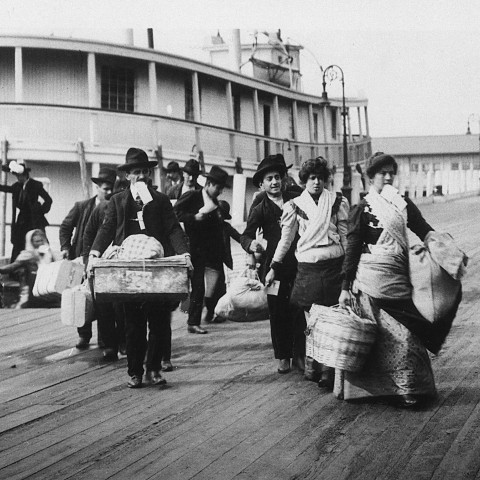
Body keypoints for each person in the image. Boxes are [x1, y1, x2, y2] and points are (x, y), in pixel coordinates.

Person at [338, 152, 461, 408]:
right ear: (371, 177)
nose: (388, 176)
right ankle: (369, 391)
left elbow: (424, 230)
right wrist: (344, 287)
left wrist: (444, 251)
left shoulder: (403, 204)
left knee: (407, 339)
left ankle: (408, 388)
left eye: (391, 172)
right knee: (375, 340)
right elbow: (352, 249)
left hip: (399, 280)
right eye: (382, 173)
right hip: (370, 281)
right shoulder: (361, 208)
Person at [88, 147, 190, 388]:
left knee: (160, 323)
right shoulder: (118, 201)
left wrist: (184, 253)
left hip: (157, 268)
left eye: (145, 171)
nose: (142, 175)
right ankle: (135, 371)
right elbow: (107, 228)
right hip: (129, 269)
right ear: (128, 176)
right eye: (137, 171)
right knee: (133, 324)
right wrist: (93, 253)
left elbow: (173, 228)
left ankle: (154, 369)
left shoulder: (161, 200)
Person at [265, 157, 349, 385]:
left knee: (333, 318)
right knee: (312, 321)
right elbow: (286, 240)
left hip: (333, 266)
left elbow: (345, 236)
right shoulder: (294, 206)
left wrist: (350, 267)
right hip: (308, 269)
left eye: (321, 178)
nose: (317, 182)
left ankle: (331, 371)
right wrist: (273, 266)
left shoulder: (337, 202)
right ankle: (315, 367)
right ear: (304, 181)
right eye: (312, 178)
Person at [240, 154, 301, 374]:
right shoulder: (260, 209)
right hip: (272, 270)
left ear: (283, 179)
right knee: (277, 312)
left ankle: (300, 354)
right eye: (269, 179)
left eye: (277, 177)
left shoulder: (296, 198)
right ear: (261, 184)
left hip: (297, 263)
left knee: (298, 309)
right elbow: (245, 235)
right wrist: (251, 244)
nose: (274, 182)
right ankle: (283, 356)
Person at [59, 167, 116, 349]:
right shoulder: (82, 206)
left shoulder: (113, 207)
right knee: (81, 296)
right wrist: (66, 247)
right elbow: (65, 227)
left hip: (104, 259)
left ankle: (104, 340)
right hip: (82, 258)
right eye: (105, 189)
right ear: (97, 187)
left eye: (111, 189)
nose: (109, 192)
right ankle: (84, 335)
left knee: (102, 300)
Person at [174, 165, 230, 334]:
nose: (219, 191)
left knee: (215, 284)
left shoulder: (214, 204)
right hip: (195, 248)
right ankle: (193, 322)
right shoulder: (193, 196)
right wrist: (193, 218)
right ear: (209, 184)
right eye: (218, 187)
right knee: (198, 286)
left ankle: (211, 313)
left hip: (211, 251)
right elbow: (175, 213)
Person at [82, 178, 129, 361]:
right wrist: (88, 260)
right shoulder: (101, 209)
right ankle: (109, 345)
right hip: (101, 264)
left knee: (122, 307)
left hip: (121, 264)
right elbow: (88, 234)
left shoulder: (132, 211)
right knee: (104, 306)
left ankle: (123, 342)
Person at [0, 161, 52, 262]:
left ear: (25, 175)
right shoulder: (17, 186)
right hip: (22, 220)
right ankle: (15, 269)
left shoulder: (35, 185)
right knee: (18, 244)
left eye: (20, 176)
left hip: (35, 219)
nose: (18, 178)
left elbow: (48, 200)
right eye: (17, 176)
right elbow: (6, 188)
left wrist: (40, 211)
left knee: (40, 242)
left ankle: (46, 264)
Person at [203, 199, 242, 324]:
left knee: (220, 288)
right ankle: (210, 311)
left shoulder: (226, 227)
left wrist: (250, 244)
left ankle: (219, 313)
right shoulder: (205, 226)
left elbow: (239, 237)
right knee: (209, 289)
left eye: (221, 214)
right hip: (207, 261)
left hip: (219, 261)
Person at [0, 229, 55, 308]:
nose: (40, 243)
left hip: (47, 287)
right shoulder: (27, 255)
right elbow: (12, 267)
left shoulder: (49, 253)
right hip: (31, 287)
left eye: (41, 240)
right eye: (36, 241)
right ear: (31, 242)